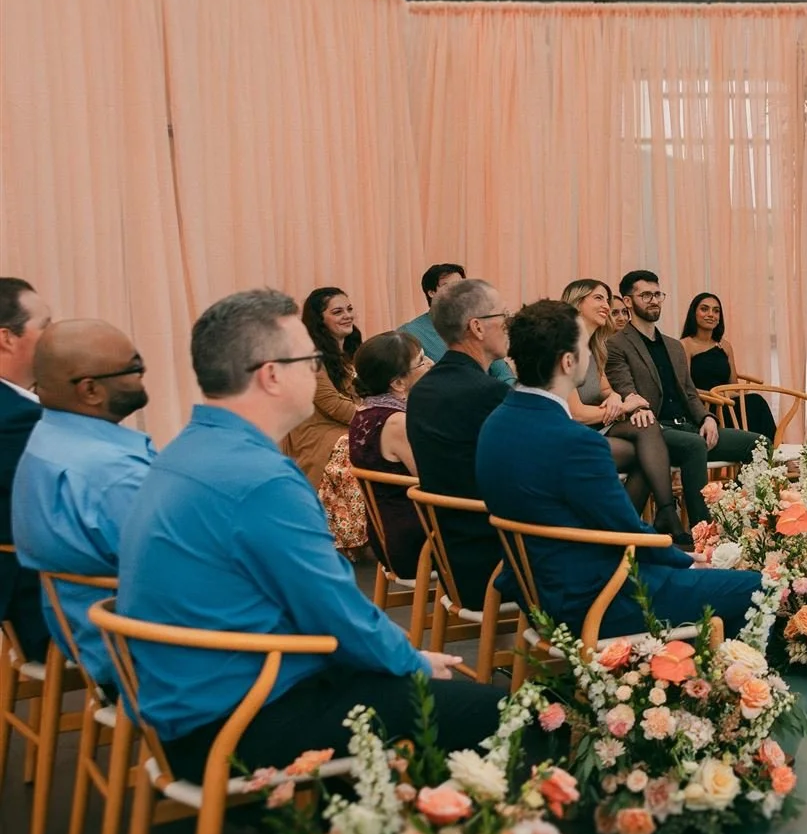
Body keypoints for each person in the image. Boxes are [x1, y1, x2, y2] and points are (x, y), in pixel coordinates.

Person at [117, 289, 495, 782]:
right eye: (311, 360)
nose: (320, 371)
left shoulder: (182, 452)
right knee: (505, 711)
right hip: (242, 721)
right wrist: (411, 660)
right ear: (272, 374)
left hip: (185, 707)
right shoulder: (260, 478)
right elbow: (335, 611)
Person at [476, 300, 760, 638]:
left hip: (536, 593)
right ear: (568, 362)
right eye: (584, 346)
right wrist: (685, 558)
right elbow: (626, 529)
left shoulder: (495, 423)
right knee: (759, 587)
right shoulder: (577, 442)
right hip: (598, 598)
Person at [11, 320, 155, 686]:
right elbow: (183, 572)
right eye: (134, 368)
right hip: (145, 661)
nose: (142, 376)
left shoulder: (46, 439)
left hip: (88, 640)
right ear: (90, 390)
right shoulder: (111, 473)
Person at [605, 271, 764, 527]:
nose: (654, 300)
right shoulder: (616, 345)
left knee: (758, 444)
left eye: (657, 294)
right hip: (654, 431)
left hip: (689, 426)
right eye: (645, 295)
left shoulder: (673, 346)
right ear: (627, 301)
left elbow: (690, 392)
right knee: (693, 445)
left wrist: (708, 418)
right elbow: (625, 389)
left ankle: (743, 517)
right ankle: (702, 530)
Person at [406, 278, 514, 603]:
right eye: (503, 317)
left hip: (452, 555)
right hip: (498, 560)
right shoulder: (488, 393)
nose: (508, 325)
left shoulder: (423, 389)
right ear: (478, 327)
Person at [562, 278, 680, 536]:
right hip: (569, 436)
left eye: (607, 298)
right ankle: (632, 525)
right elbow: (576, 414)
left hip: (596, 429)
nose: (606, 304)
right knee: (647, 454)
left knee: (646, 426)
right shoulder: (565, 347)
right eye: (598, 298)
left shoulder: (595, 346)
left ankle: (654, 517)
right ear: (577, 302)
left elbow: (605, 389)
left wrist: (616, 398)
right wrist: (624, 408)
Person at [285, 286, 369, 554]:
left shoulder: (353, 350)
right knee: (358, 446)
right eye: (337, 312)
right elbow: (332, 404)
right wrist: (376, 417)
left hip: (349, 424)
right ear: (319, 320)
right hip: (319, 433)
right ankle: (347, 538)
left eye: (349, 309)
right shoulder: (309, 357)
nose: (347, 316)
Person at [346, 330, 431, 582]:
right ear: (397, 383)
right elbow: (434, 480)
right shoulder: (396, 423)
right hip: (414, 541)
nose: (431, 365)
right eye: (422, 361)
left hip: (386, 532)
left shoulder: (365, 411)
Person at [0, 278, 51, 651]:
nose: (54, 339)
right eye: (46, 326)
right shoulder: (15, 419)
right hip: (39, 602)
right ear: (7, 339)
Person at [680, 292, 775, 439]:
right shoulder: (685, 345)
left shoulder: (725, 346)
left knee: (755, 402)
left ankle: (773, 452)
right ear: (694, 313)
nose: (711, 314)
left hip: (727, 401)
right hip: (706, 405)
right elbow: (685, 387)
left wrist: (728, 395)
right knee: (753, 404)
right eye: (704, 309)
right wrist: (717, 396)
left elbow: (734, 386)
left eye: (716, 311)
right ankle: (767, 454)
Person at [400, 262, 514, 384]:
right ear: (431, 293)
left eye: (462, 287)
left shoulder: (477, 324)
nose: (459, 293)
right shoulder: (410, 333)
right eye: (449, 286)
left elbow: (503, 373)